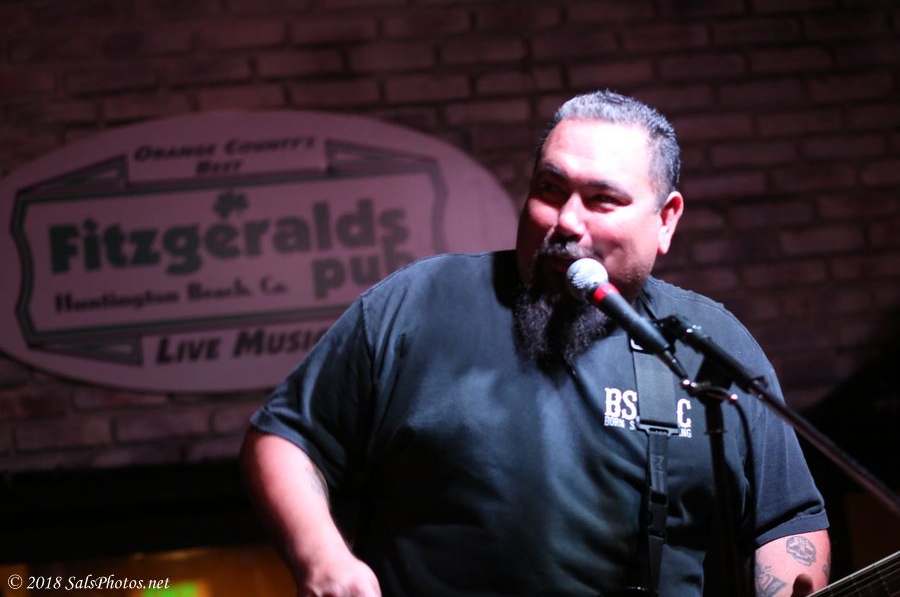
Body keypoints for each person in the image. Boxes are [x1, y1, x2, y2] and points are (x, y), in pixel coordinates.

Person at [241, 90, 830, 597]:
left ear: (666, 219)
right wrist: (323, 559)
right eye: (549, 188)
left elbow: (786, 519)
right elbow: (287, 437)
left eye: (601, 199)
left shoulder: (708, 343)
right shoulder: (419, 303)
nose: (566, 221)